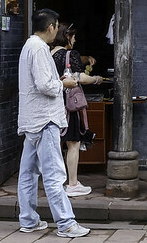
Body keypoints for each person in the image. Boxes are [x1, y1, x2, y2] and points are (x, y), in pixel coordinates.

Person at [17, 9, 90, 238]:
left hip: (31, 119)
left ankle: (29, 220)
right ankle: (66, 223)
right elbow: (45, 86)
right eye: (57, 27)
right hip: (45, 119)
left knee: (28, 173)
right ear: (50, 27)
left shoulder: (30, 46)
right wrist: (64, 84)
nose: (57, 31)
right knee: (54, 174)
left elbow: (42, 82)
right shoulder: (39, 48)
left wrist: (55, 82)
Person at [50, 22, 103, 197]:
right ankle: (72, 184)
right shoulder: (70, 54)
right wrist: (96, 79)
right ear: (67, 36)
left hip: (52, 104)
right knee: (73, 143)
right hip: (68, 105)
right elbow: (79, 77)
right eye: (73, 37)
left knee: (56, 143)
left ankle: (56, 183)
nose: (75, 40)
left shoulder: (48, 54)